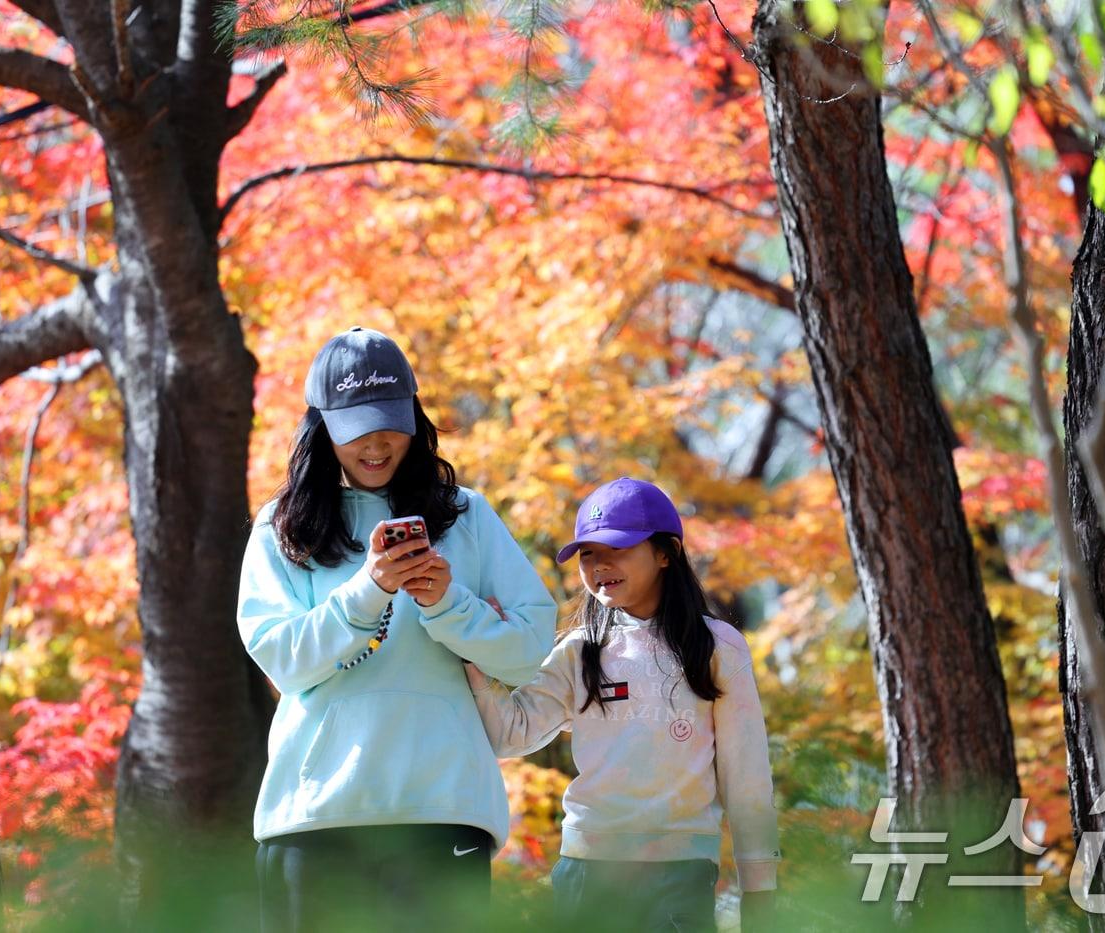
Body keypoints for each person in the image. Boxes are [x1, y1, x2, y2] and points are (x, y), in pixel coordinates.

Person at [238, 326, 557, 932]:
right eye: (355, 425)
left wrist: (448, 605)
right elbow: (280, 658)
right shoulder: (284, 525)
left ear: (414, 414)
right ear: (321, 425)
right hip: (316, 816)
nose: (377, 442)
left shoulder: (465, 515)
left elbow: (530, 651)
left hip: (444, 810)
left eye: (390, 420)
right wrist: (369, 591)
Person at [465, 478, 781, 933]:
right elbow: (511, 734)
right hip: (585, 873)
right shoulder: (579, 650)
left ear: (665, 552)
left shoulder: (716, 646)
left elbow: (746, 775)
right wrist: (476, 657)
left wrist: (760, 888)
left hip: (679, 873)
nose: (599, 565)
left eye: (618, 548)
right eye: (587, 554)